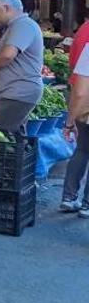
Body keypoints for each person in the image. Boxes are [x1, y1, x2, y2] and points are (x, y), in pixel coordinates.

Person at [0, 0, 44, 135]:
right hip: (14, 92)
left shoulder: (23, 25)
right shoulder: (17, 26)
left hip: (17, 93)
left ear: (7, 8)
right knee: (11, 137)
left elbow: (7, 55)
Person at [61, 39, 89, 218]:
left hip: (86, 112)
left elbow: (79, 92)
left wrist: (70, 121)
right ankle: (87, 205)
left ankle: (69, 197)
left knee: (82, 150)